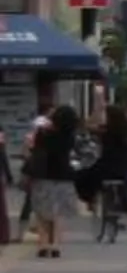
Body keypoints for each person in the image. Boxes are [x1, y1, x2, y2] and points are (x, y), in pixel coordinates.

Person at [25, 104, 81, 259]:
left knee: (41, 211)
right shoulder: (70, 136)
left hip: (43, 174)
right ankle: (55, 245)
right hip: (64, 175)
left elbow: (34, 149)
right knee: (58, 213)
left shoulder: (43, 134)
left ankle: (43, 244)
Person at [91, 103, 127, 243]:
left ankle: (93, 203)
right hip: (124, 167)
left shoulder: (105, 132)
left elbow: (90, 127)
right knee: (125, 194)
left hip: (107, 167)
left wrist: (97, 112)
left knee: (88, 179)